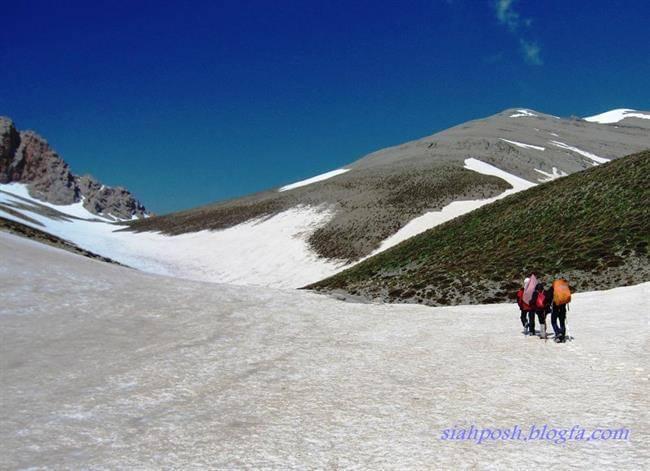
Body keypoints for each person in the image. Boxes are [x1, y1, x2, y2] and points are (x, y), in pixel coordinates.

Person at [551, 278, 571, 343]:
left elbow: (548, 296)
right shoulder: (564, 287)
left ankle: (557, 333)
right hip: (563, 307)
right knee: (562, 321)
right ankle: (562, 336)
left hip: (555, 307)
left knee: (553, 321)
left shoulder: (553, 288)